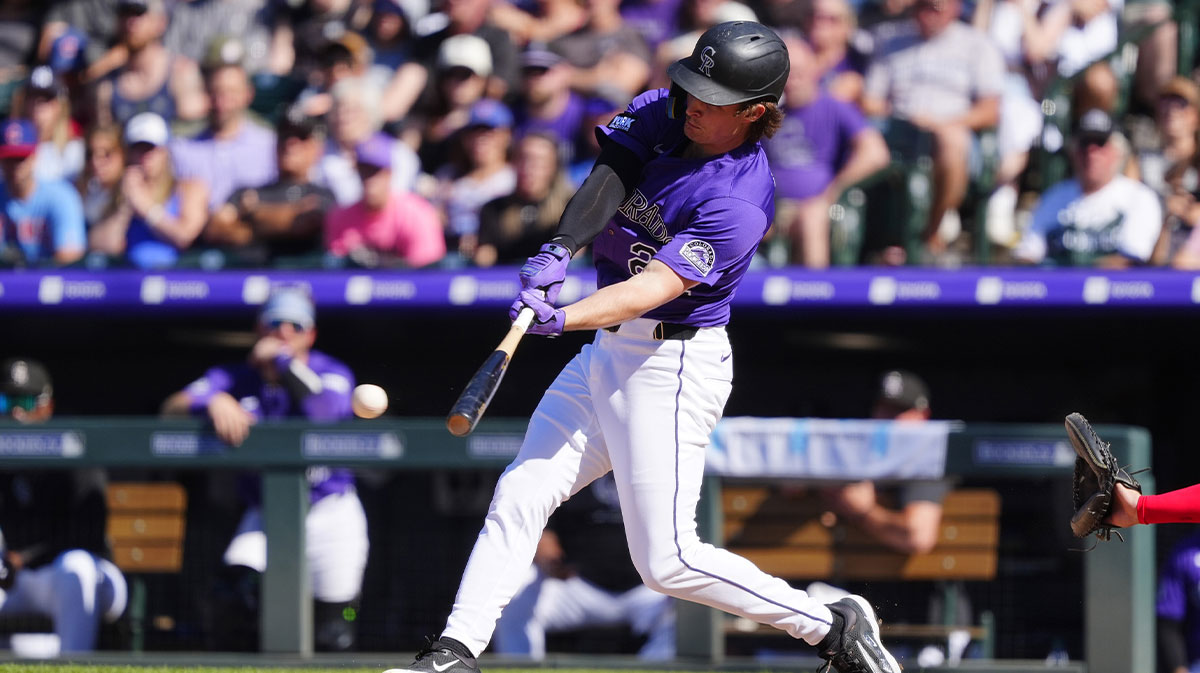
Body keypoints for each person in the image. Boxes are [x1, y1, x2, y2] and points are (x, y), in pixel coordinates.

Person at [384, 21, 900, 673]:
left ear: (756, 113)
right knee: (522, 490)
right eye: (690, 86)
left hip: (670, 363)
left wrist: (562, 316)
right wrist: (558, 248)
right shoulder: (668, 110)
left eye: (711, 100)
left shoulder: (738, 199)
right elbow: (611, 173)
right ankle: (456, 651)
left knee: (666, 560)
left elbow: (651, 287)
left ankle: (831, 626)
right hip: (607, 351)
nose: (690, 105)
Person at [160, 287, 369, 652]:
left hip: (331, 511)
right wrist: (213, 400)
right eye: (275, 323)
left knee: (336, 629)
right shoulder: (235, 377)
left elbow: (325, 413)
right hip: (268, 513)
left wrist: (285, 364)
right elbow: (171, 408)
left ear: (311, 334)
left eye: (296, 325)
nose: (284, 332)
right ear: (259, 329)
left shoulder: (331, 371)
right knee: (231, 597)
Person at [0, 357, 127, 656]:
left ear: (47, 406)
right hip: (22, 582)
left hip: (87, 577)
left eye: (27, 401)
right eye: (6, 401)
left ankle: (74, 663)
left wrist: (24, 556)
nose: (16, 412)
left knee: (76, 567)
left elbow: (88, 534)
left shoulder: (74, 444)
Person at [860, 0, 1004, 259]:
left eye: (934, 7)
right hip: (899, 129)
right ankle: (876, 242)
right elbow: (870, 101)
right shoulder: (891, 41)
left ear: (955, 8)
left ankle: (931, 230)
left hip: (952, 129)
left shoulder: (976, 44)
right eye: (920, 7)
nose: (926, 15)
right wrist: (898, 116)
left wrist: (942, 124)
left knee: (951, 141)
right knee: (862, 140)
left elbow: (990, 110)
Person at [492, 472, 675, 660]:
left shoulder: (658, 465)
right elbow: (544, 528)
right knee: (517, 590)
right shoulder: (574, 465)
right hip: (579, 585)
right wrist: (550, 560)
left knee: (691, 609)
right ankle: (522, 667)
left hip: (647, 590)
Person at [763, 33, 890, 267]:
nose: (792, 81)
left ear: (814, 71)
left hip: (821, 206)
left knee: (811, 218)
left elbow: (876, 153)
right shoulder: (770, 114)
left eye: (799, 73)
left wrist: (833, 190)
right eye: (786, 75)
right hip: (773, 207)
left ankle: (815, 295)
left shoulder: (835, 107)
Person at [1012, 108, 1162, 268]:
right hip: (1056, 290)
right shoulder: (1053, 197)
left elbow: (1130, 262)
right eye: (1085, 143)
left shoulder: (1138, 197)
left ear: (1117, 152)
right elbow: (1027, 256)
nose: (1091, 153)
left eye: (1100, 143)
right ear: (1073, 151)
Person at [204, 106, 337, 264]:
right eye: (284, 136)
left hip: (304, 276)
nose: (290, 144)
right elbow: (215, 229)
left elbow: (302, 224)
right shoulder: (247, 191)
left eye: (301, 137)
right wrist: (280, 220)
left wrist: (252, 212)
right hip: (250, 275)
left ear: (316, 149)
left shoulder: (323, 194)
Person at [87, 112, 209, 269]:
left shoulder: (189, 188)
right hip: (131, 281)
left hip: (178, 280)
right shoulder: (119, 192)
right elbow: (101, 246)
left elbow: (185, 236)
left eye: (150, 149)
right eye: (138, 149)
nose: (144, 156)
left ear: (165, 151)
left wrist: (146, 209)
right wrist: (124, 206)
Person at [170, 55, 278, 212]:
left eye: (231, 92)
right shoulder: (183, 149)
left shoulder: (269, 145)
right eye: (216, 92)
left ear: (248, 94)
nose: (222, 101)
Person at [324, 134, 446, 268]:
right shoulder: (340, 216)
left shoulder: (417, 213)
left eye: (376, 171)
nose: (370, 178)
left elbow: (429, 272)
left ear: (389, 173)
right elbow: (336, 272)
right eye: (364, 170)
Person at [474, 131, 576, 267]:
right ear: (513, 163)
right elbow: (485, 258)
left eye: (538, 162)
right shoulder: (494, 209)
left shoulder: (571, 207)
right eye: (523, 159)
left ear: (553, 166)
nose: (529, 168)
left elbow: (576, 258)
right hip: (504, 284)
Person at [0, 118, 86, 267]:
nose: (15, 166)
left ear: (34, 157)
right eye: (9, 159)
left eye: (21, 158)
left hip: (49, 282)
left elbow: (71, 256)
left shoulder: (61, 196)